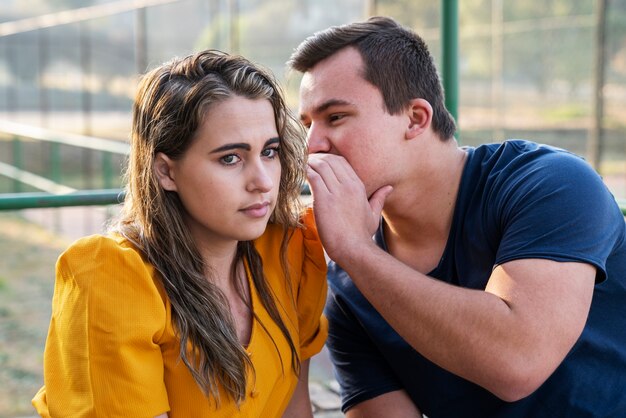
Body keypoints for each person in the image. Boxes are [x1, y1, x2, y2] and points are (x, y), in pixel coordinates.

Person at [289, 16, 626, 418]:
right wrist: (355, 257)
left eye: (336, 117)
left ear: (416, 118)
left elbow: (517, 362)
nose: (312, 147)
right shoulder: (349, 284)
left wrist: (357, 252)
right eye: (306, 126)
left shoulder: (551, 183)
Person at [32, 50, 327, 417]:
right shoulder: (113, 276)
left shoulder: (290, 250)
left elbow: (295, 408)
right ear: (166, 172)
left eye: (270, 151)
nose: (263, 182)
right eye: (230, 158)